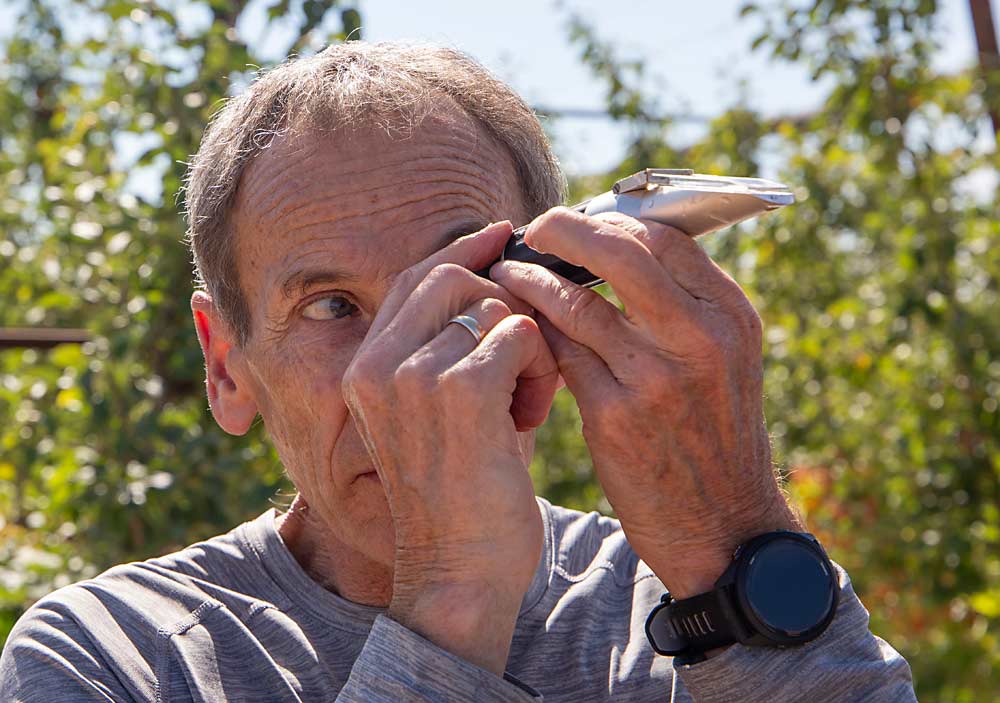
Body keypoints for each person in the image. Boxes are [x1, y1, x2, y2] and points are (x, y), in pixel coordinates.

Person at [0, 42, 916, 702]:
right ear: (227, 366)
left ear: (552, 309)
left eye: (461, 282)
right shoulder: (115, 657)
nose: (404, 359)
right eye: (332, 307)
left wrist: (735, 538)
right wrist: (453, 596)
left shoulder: (680, 600)